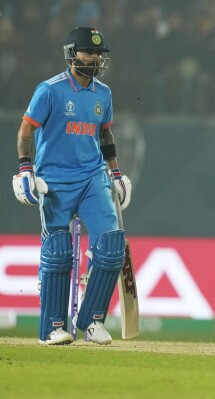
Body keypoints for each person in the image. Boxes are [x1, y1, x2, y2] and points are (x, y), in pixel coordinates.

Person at [12, 27, 132, 345]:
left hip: (93, 177)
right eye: (88, 52)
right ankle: (53, 327)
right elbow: (26, 130)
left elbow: (105, 136)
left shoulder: (103, 93)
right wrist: (25, 170)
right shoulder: (49, 90)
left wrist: (116, 174)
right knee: (59, 252)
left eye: (98, 53)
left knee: (111, 247)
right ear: (71, 53)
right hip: (54, 180)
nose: (94, 58)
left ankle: (91, 322)